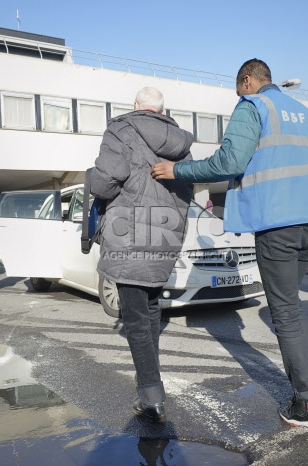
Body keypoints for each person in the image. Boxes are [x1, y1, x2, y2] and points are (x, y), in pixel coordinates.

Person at [151, 59, 308, 430]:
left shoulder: (253, 106)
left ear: (248, 81)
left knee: (282, 311)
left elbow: (229, 161)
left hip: (278, 221)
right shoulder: (303, 112)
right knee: (292, 304)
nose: (238, 96)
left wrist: (177, 171)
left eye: (239, 90)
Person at [88, 87, 193, 423]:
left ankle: (151, 396)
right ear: (161, 110)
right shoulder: (180, 142)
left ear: (136, 106)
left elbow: (105, 184)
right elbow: (187, 188)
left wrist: (93, 177)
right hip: (164, 233)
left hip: (129, 231)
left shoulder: (120, 129)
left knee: (134, 318)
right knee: (149, 310)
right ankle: (151, 381)